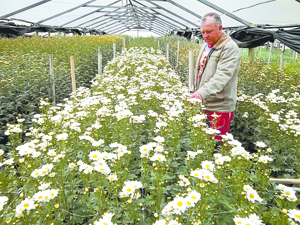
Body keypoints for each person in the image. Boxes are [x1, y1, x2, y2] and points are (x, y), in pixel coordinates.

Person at [189, 12, 241, 143]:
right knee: (201, 142)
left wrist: (201, 93)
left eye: (209, 31)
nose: (205, 36)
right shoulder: (205, 46)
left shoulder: (229, 48)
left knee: (216, 144)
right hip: (204, 102)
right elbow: (200, 71)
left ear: (220, 28)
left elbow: (222, 76)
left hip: (219, 106)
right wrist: (195, 91)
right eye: (203, 32)